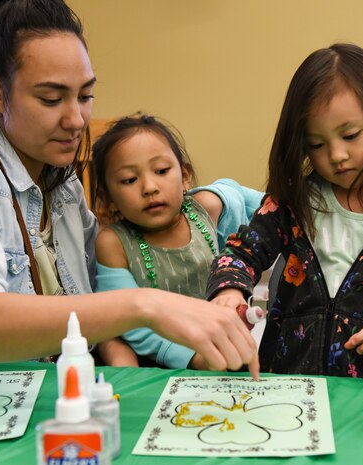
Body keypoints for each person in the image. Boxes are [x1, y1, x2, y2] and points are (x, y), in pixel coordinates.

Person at [0, 0, 259, 378]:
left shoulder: (63, 184)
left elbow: (102, 285)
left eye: (85, 96)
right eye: (51, 99)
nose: (76, 119)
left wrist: (205, 206)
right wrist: (144, 304)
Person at [206, 43, 363, 380]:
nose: (337, 154)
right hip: (292, 386)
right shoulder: (294, 201)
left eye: (351, 135)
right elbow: (241, 253)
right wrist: (229, 291)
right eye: (316, 144)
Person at [90, 114, 263, 369]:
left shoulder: (207, 208)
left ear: (184, 176)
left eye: (161, 171)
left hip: (223, 353)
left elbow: (272, 210)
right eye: (129, 180)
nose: (149, 187)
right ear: (109, 197)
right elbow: (130, 323)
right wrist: (193, 358)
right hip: (157, 368)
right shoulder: (113, 243)